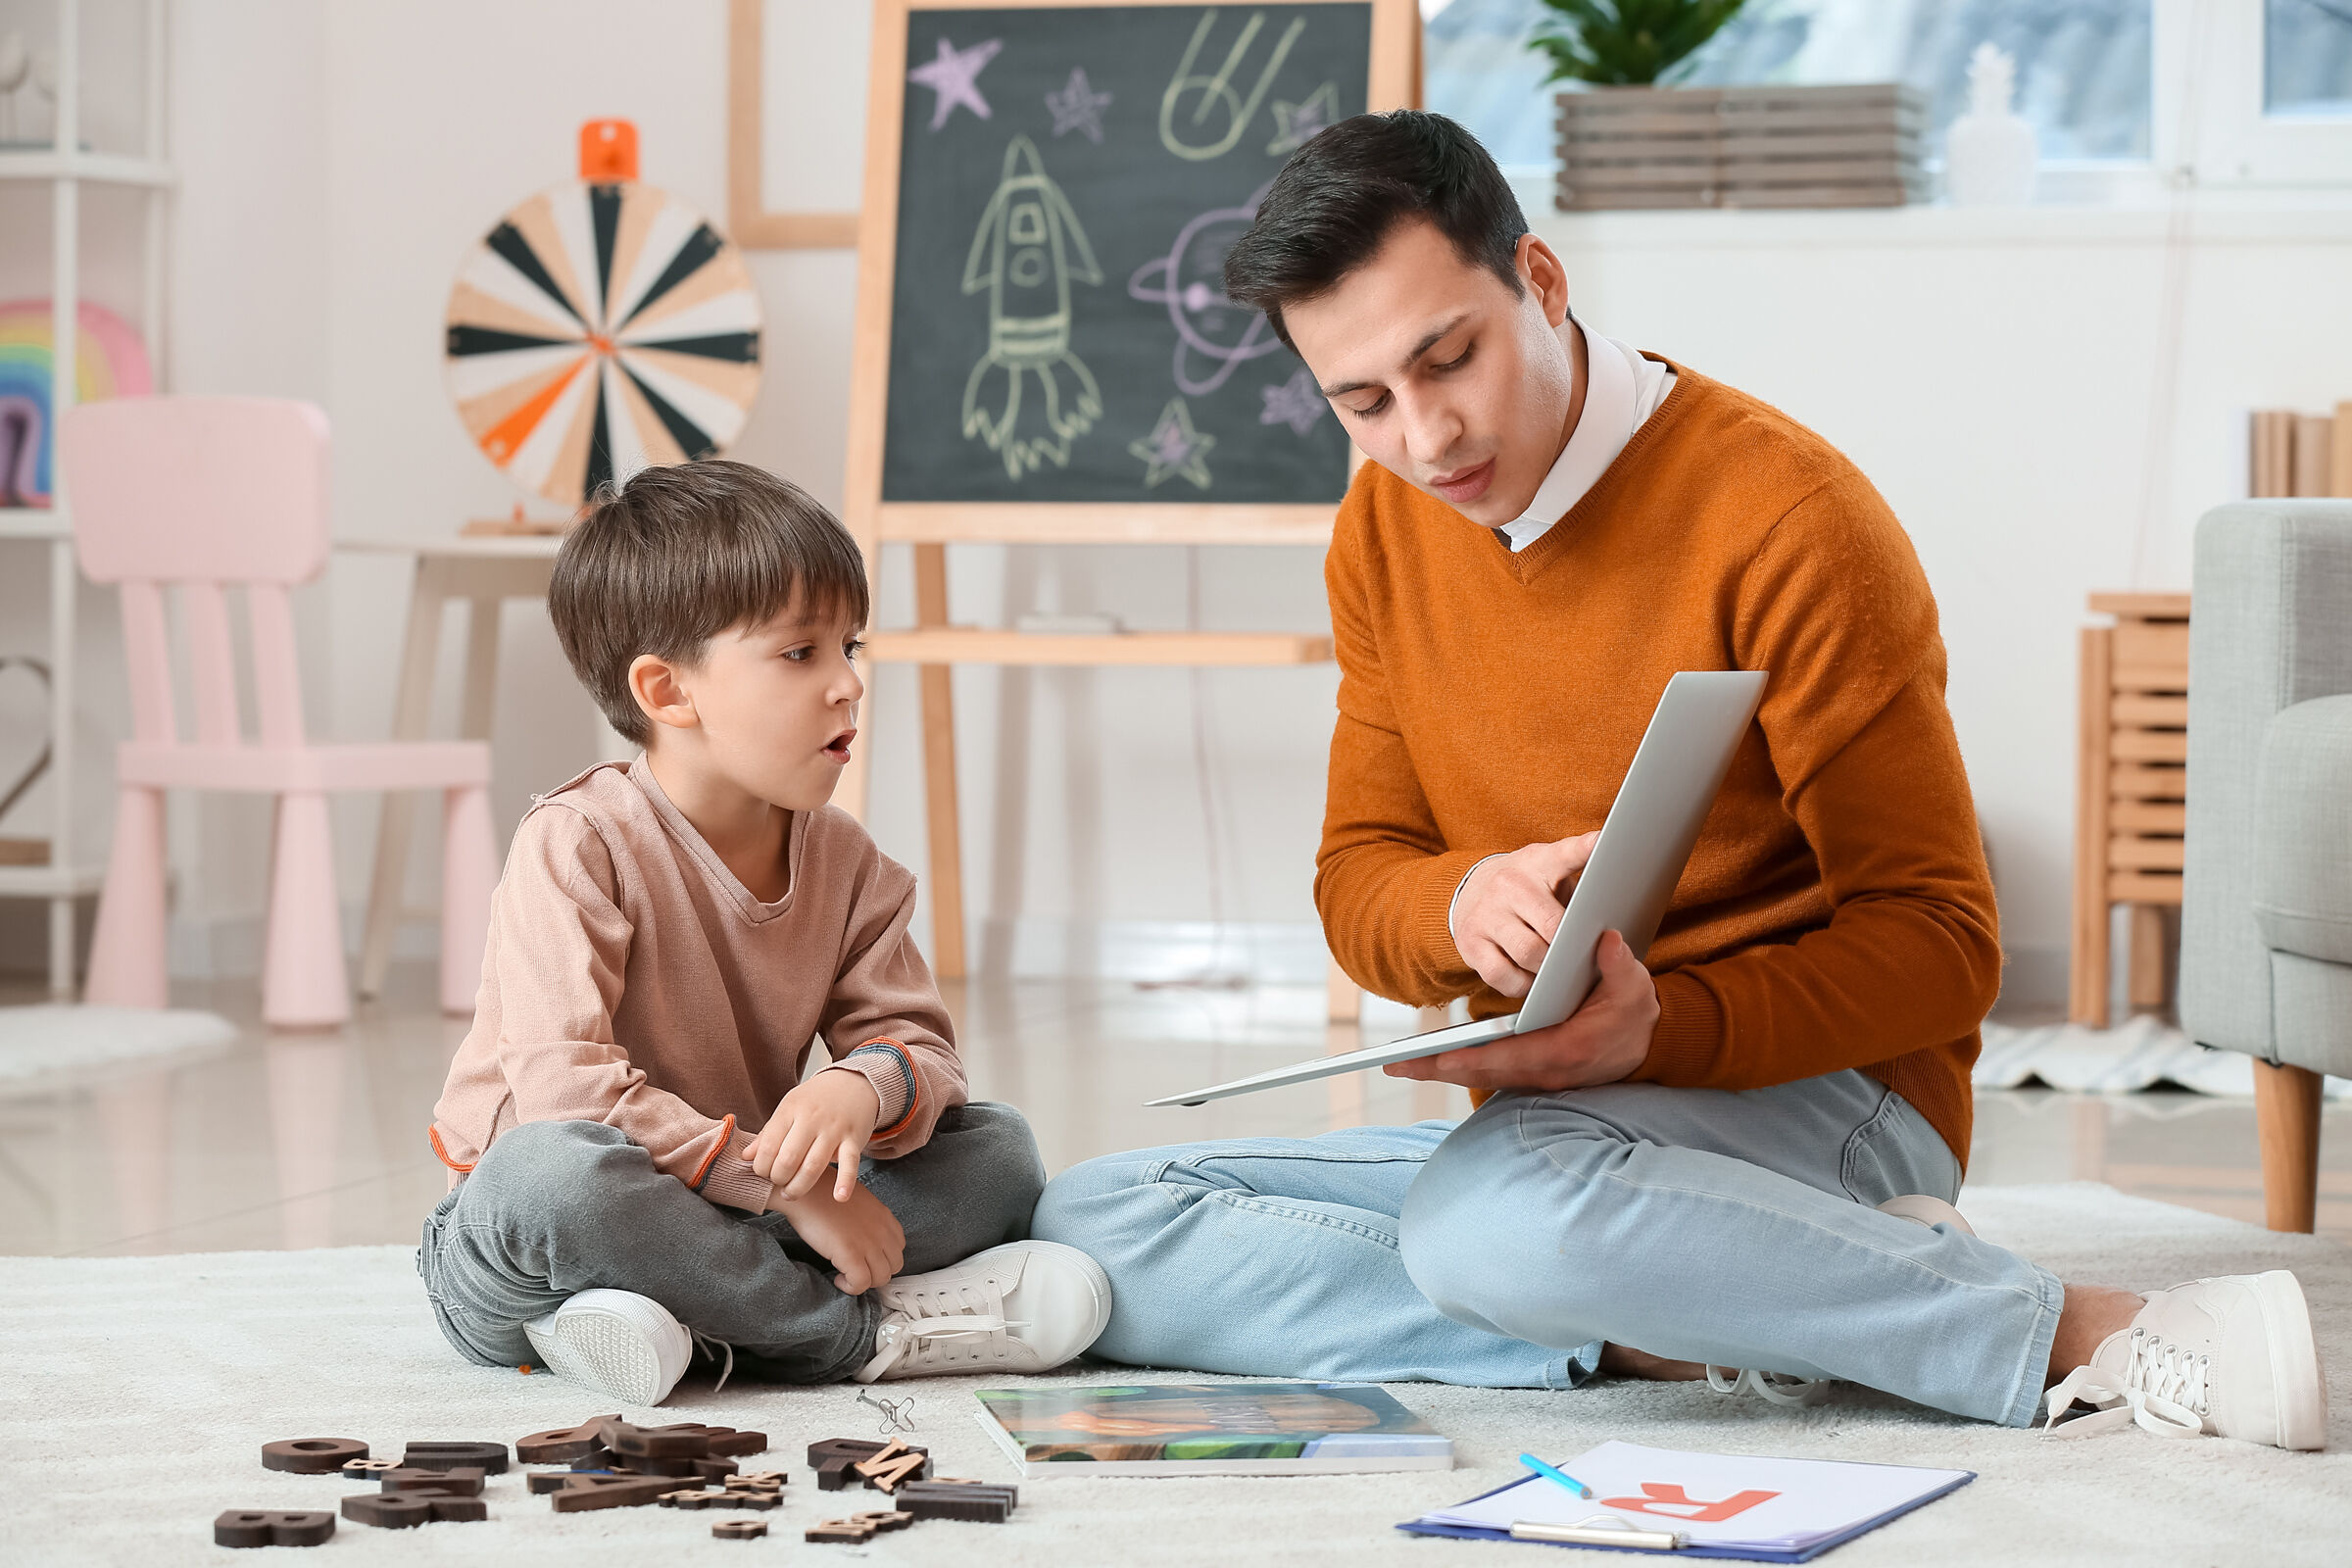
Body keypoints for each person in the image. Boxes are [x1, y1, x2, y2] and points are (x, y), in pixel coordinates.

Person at [1031, 113, 2326, 1449]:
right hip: (1568, 1132)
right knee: (1104, 1219)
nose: (1425, 439)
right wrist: (1461, 900)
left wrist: (1663, 1032)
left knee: (1486, 1221)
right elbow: (1359, 876)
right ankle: (1729, 1305)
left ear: (1538, 280)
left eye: (1448, 359)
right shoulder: (1385, 526)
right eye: (1363, 404)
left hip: (1831, 1100)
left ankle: (2075, 1336)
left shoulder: (1789, 519)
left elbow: (1944, 947)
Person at [421, 461, 1110, 1405]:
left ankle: (681, 1320)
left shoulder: (849, 861)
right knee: (551, 1178)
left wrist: (856, 1091)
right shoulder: (576, 841)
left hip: (719, 1209)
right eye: (800, 654)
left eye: (850, 647)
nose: (847, 686)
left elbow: (922, 1052)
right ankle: (849, 1334)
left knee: (997, 1154)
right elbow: (565, 1094)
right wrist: (786, 1187)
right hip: (521, 1246)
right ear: (668, 692)